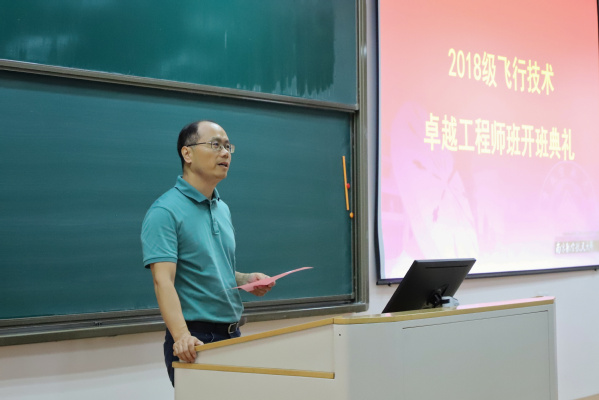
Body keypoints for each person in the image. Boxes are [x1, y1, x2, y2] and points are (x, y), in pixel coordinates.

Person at [141, 120, 274, 386]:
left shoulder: (221, 208)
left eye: (228, 146)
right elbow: (162, 280)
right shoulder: (165, 212)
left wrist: (245, 279)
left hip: (232, 334)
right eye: (215, 145)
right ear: (187, 153)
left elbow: (211, 267)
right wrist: (182, 336)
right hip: (195, 340)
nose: (225, 153)